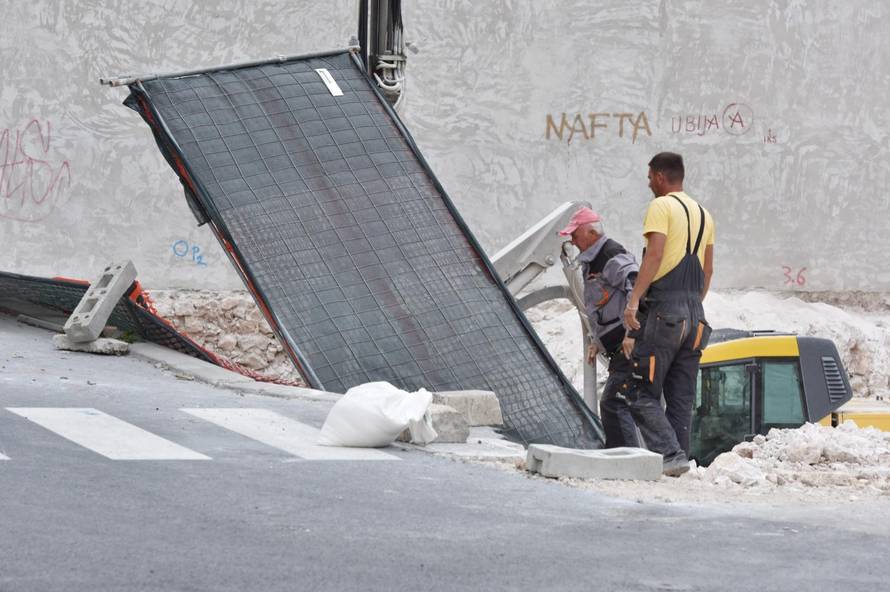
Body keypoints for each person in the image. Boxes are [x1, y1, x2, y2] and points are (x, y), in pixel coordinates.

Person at [622, 152, 715, 476]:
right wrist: (692, 306)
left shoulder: (661, 207)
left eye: (650, 177)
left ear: (661, 177)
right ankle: (679, 461)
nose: (649, 183)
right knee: (680, 398)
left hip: (665, 311)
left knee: (638, 391)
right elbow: (708, 270)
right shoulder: (704, 214)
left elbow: (655, 254)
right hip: (696, 315)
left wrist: (634, 300)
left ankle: (670, 455)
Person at [559, 207, 641, 449]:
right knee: (617, 404)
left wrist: (632, 333)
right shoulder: (591, 261)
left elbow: (636, 287)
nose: (573, 241)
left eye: (575, 235)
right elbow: (602, 307)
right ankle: (619, 456)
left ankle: (628, 459)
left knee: (614, 402)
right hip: (617, 347)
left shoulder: (610, 255)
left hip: (629, 345)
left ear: (591, 232)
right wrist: (598, 341)